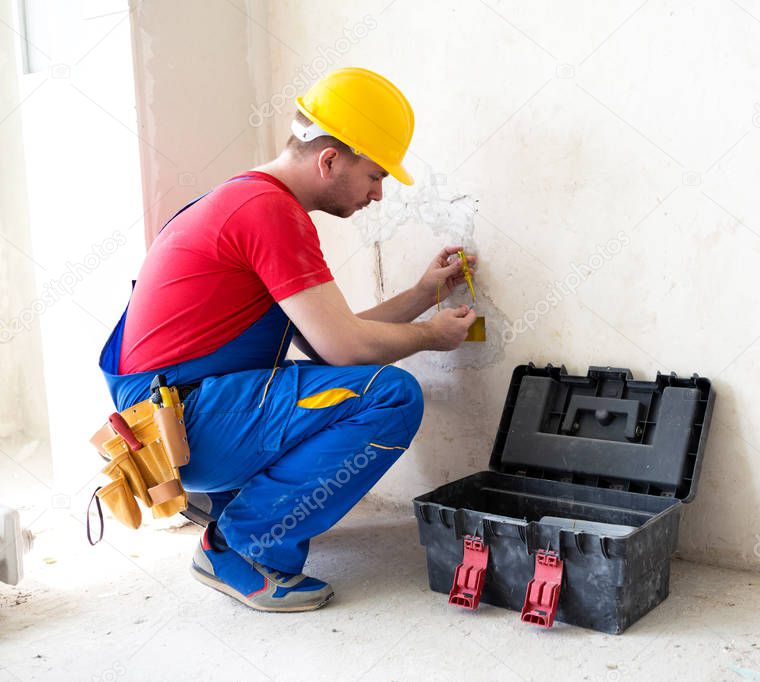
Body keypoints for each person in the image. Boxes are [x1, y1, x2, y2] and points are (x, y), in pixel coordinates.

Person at [98, 67, 477, 612]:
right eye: (374, 175)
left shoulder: (244, 199)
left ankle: (234, 509)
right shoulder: (270, 213)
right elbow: (345, 349)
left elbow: (330, 340)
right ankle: (242, 548)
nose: (376, 193)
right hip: (182, 422)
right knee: (392, 394)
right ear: (329, 160)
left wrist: (423, 295)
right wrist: (428, 338)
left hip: (173, 415)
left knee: (351, 383)